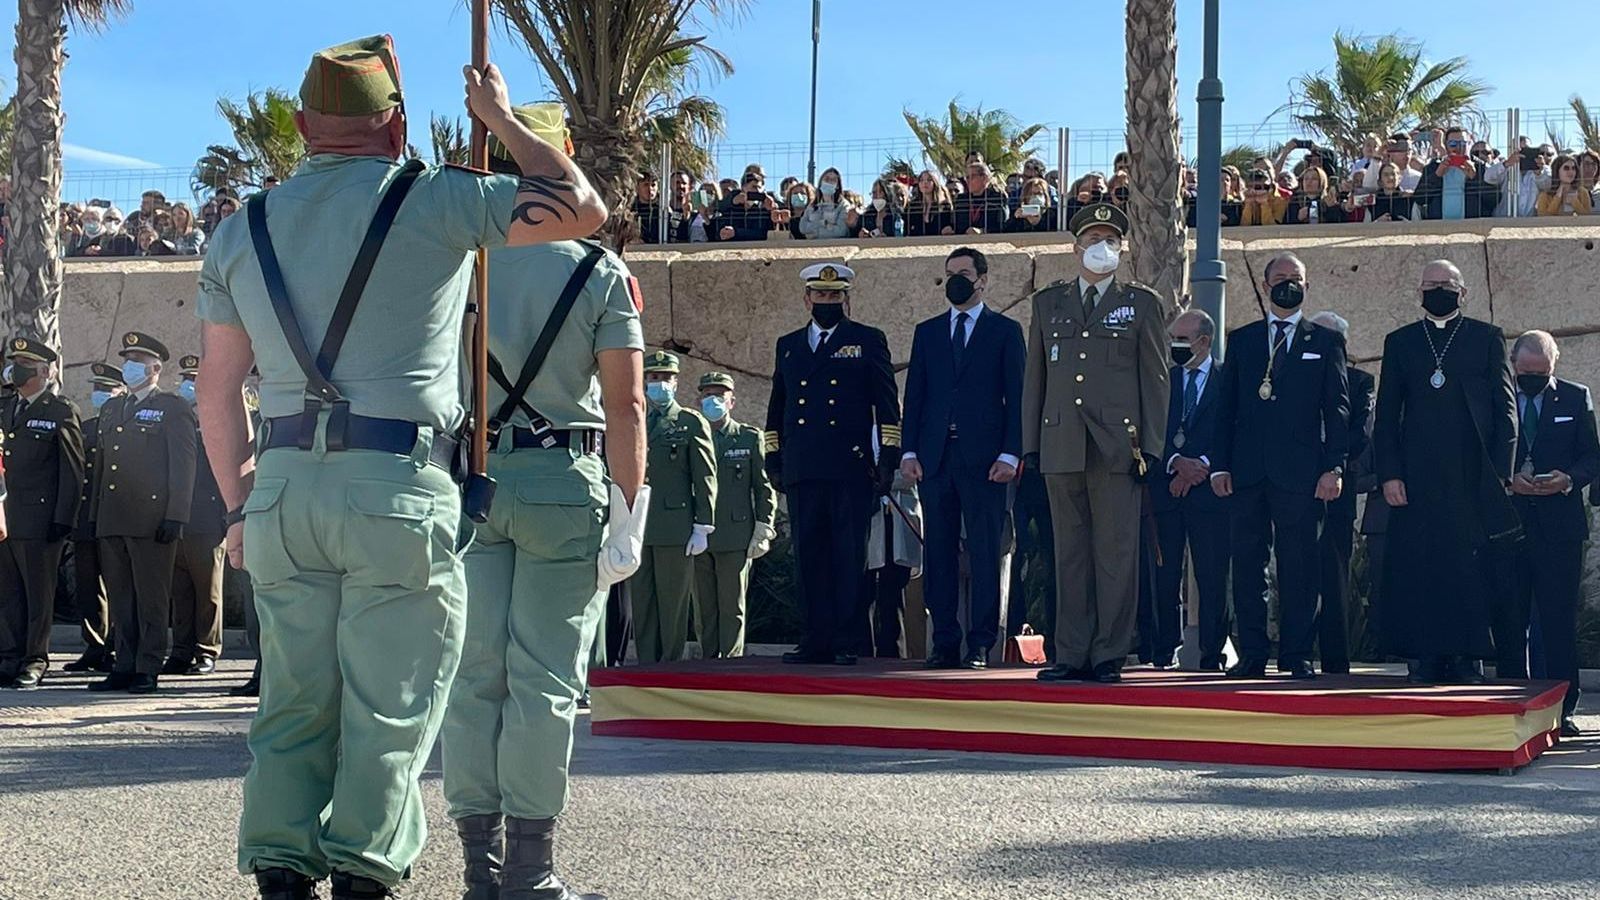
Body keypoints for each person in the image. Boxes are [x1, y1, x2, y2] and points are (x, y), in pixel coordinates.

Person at [192, 35, 607, 899]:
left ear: (302, 125)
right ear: (396, 126)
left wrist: (237, 509)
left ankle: (280, 871)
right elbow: (581, 207)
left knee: (292, 702)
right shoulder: (435, 199)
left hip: (281, 492)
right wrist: (501, 119)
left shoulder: (241, 228)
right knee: (391, 703)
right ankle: (361, 871)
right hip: (397, 489)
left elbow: (218, 392)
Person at [438, 103, 647, 900]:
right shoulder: (599, 271)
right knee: (545, 682)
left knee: (473, 677)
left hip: (475, 477)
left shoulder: (465, 265)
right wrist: (629, 510)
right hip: (564, 482)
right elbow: (628, 405)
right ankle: (531, 871)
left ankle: (479, 869)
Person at [1024, 204, 1169, 684]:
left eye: (1110, 239)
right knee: (1068, 554)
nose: (1101, 247)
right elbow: (1035, 379)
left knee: (1115, 554)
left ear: (1122, 249)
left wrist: (1151, 446)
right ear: (1075, 248)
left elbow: (1155, 380)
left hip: (1117, 448)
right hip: (1061, 442)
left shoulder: (1141, 304)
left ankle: (1109, 652)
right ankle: (1071, 653)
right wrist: (1030, 444)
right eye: (1092, 239)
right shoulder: (1048, 303)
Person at [1373, 260, 1516, 685]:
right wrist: (1390, 474)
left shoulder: (1485, 338)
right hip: (1416, 477)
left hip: (1470, 474)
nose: (1438, 290)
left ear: (1463, 292)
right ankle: (1426, 656)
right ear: (1419, 293)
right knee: (1420, 564)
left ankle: (1467, 658)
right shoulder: (1401, 342)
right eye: (1430, 284)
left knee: (1468, 567)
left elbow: (1505, 409)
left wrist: (1501, 474)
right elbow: (1386, 416)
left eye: (1446, 284)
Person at [1210, 253, 1349, 680]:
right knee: (1247, 564)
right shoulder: (1244, 339)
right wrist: (1219, 466)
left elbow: (1337, 409)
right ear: (1266, 285)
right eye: (1281, 277)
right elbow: (1224, 407)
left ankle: (1296, 653)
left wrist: (1334, 468)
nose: (1289, 284)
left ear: (1307, 286)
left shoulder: (1325, 341)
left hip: (1302, 474)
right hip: (1248, 471)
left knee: (1299, 566)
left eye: (1296, 278)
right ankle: (1252, 652)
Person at [765, 262, 901, 665]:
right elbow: (778, 407)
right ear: (807, 299)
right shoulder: (789, 345)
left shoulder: (867, 339)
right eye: (821, 295)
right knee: (808, 556)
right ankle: (814, 639)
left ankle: (847, 640)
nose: (828, 301)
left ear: (846, 299)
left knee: (848, 557)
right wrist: (773, 456)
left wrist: (888, 458)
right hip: (803, 465)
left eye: (835, 295)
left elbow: (887, 406)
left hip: (849, 467)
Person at [901, 247, 1025, 669]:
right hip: (935, 459)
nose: (956, 280)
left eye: (964, 273)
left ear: (982, 280)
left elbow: (1018, 397)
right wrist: (909, 451)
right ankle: (945, 641)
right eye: (949, 273)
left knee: (985, 551)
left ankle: (980, 643)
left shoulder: (1004, 331)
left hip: (986, 462)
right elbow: (916, 395)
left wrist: (1010, 454)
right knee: (938, 552)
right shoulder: (928, 332)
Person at [1497, 331, 1598, 738]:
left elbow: (1591, 456)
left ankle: (1562, 709)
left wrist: (1567, 479)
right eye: (1526, 373)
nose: (1533, 380)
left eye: (1541, 373)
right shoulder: (1498, 396)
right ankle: (1510, 705)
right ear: (1513, 365)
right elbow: (1481, 451)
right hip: (1509, 525)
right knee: (1509, 620)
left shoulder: (1575, 397)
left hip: (1559, 528)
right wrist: (1508, 479)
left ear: (1554, 366)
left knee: (1557, 622)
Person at [86, 332, 196, 696]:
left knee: (151, 597)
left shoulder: (172, 407)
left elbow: (183, 465)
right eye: (127, 359)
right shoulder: (113, 408)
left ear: (155, 368)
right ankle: (124, 664)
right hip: (113, 517)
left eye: (138, 360)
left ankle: (147, 667)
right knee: (121, 597)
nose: (130, 365)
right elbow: (104, 466)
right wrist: (96, 514)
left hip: (151, 519)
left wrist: (176, 515)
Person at [0, 337, 85, 690]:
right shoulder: (5, 407)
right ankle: (9, 656)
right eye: (15, 363)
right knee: (8, 594)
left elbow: (72, 470)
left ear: (45, 372)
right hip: (5, 520)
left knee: (39, 595)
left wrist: (63, 518)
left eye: (25, 364)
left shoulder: (59, 411)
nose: (16, 369)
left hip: (40, 521)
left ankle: (35, 659)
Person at [1148, 310, 1230, 671]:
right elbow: (1150, 429)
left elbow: (1234, 428)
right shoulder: (1162, 380)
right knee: (1165, 575)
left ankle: (1212, 653)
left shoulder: (1227, 379)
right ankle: (1163, 648)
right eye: (1172, 339)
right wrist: (1176, 462)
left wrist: (1202, 467)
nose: (1175, 346)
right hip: (1168, 489)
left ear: (1204, 341)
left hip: (1210, 491)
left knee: (1211, 575)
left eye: (1182, 339)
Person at [632, 351, 717, 663]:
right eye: (654, 377)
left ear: (676, 382)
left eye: (666, 378)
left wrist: (702, 525)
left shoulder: (689, 422)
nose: (660, 383)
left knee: (673, 603)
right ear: (645, 381)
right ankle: (645, 665)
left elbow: (705, 475)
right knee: (642, 602)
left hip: (674, 525)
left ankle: (668, 664)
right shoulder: (634, 419)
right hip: (637, 524)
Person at [692, 372, 777, 658]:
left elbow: (763, 487)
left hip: (735, 534)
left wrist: (764, 527)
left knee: (732, 607)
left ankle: (730, 662)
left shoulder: (748, 438)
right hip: (697, 534)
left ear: (732, 402)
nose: (713, 400)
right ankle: (708, 661)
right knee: (704, 607)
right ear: (698, 401)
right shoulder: (691, 436)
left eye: (720, 395)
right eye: (708, 395)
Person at [1309, 312, 1374, 675]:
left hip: (1337, 488)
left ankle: (1335, 660)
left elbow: (1359, 435)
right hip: (1296, 485)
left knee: (1334, 573)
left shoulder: (1360, 382)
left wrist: (1328, 466)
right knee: (1296, 569)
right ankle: (1296, 653)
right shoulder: (1293, 376)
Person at [162, 355, 226, 677]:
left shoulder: (219, 426)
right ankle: (181, 650)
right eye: (186, 380)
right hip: (177, 521)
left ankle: (206, 650)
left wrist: (225, 519)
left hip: (207, 521)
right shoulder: (175, 424)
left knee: (207, 591)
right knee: (180, 591)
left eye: (195, 380)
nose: (189, 387)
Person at [61, 362, 124, 674]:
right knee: (88, 587)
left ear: (121, 392)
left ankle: (118, 646)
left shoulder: (126, 428)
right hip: (86, 520)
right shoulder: (85, 428)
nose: (99, 393)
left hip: (114, 519)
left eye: (106, 389)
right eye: (96, 388)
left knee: (118, 586)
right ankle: (94, 646)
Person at [1413, 127, 1499, 220]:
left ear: (1469, 144)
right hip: (1439, 225)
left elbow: (1494, 200)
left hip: (1473, 225)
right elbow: (1420, 199)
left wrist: (1474, 178)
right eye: (1453, 144)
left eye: (1463, 143)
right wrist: (1437, 176)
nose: (1458, 148)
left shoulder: (1480, 167)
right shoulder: (1434, 167)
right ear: (1446, 145)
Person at [633, 170, 691, 243]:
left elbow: (676, 235)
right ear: (637, 188)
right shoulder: (631, 209)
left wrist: (685, 218)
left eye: (653, 185)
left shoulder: (664, 209)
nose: (650, 188)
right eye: (646, 184)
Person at [952, 160, 1008, 235]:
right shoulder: (961, 199)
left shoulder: (997, 198)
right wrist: (950, 228)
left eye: (972, 177)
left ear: (984, 178)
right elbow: (955, 223)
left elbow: (1003, 225)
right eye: (967, 177)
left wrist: (983, 231)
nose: (968, 181)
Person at [718, 170, 776, 242]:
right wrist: (733, 202)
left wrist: (771, 210)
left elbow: (762, 234)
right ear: (743, 187)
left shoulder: (762, 210)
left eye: (759, 188)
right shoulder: (730, 207)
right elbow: (717, 208)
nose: (758, 191)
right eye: (754, 187)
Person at [799, 167, 855, 239]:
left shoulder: (843, 205)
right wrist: (823, 223)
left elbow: (841, 231)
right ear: (821, 182)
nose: (829, 182)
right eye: (827, 179)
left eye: (833, 180)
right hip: (813, 244)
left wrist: (814, 233)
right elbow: (803, 228)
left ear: (837, 186)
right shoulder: (812, 205)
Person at [1280, 166, 1344, 225]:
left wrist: (1331, 209)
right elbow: (1285, 226)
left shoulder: (1328, 202)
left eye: (1314, 179)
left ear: (1322, 182)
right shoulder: (1295, 203)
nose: (1309, 182)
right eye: (1306, 179)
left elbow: (1339, 224)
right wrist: (1297, 218)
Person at [907, 170, 953, 237]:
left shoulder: (945, 206)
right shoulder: (913, 206)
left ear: (935, 183)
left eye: (929, 180)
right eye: (921, 180)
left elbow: (949, 226)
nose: (925, 182)